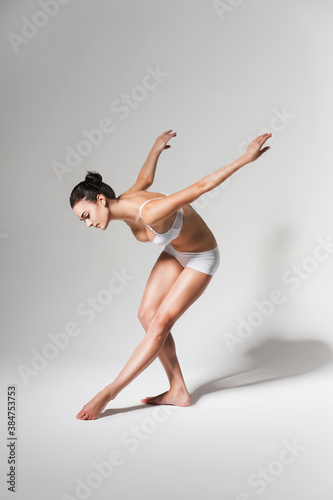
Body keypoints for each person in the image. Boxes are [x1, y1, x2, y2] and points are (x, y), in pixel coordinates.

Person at [70, 129, 272, 420]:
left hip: (201, 257)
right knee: (146, 315)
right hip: (176, 252)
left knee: (159, 325)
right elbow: (145, 179)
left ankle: (108, 392)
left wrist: (244, 159)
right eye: (82, 221)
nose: (87, 224)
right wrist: (155, 148)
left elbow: (201, 186)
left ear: (101, 200)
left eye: (86, 216)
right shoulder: (126, 199)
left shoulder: (149, 211)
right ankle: (177, 390)